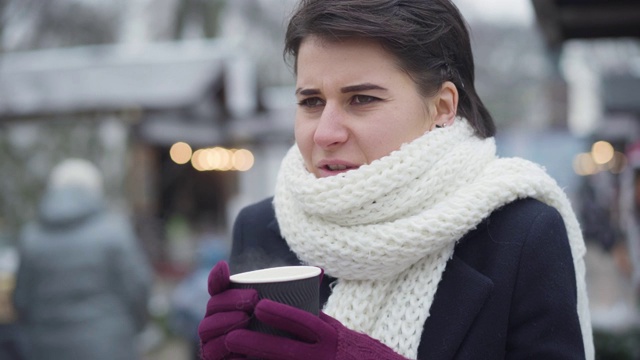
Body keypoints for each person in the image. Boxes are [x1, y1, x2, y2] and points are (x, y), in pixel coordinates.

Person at [198, 0, 594, 359]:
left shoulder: (522, 235)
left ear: (441, 106)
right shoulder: (261, 228)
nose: (325, 133)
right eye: (311, 102)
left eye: (361, 99)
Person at [12, 158, 153, 360]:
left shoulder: (31, 237)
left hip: (46, 348)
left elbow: (21, 299)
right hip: (108, 345)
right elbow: (139, 288)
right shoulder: (114, 231)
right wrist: (135, 327)